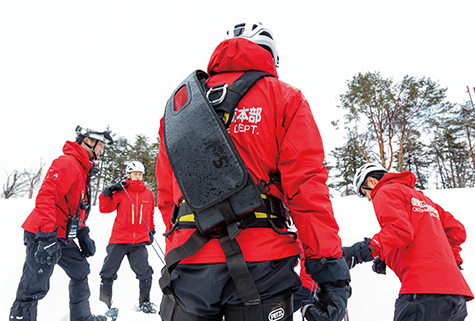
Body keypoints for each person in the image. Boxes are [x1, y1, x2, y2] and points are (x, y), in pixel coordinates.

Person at [156, 20, 350, 321]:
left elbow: (167, 194)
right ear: (270, 57)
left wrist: (180, 243)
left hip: (190, 261)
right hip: (263, 260)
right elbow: (306, 187)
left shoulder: (180, 105)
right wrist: (328, 271)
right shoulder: (285, 97)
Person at [342, 162, 473, 321]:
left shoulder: (384, 191)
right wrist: (453, 262)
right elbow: (456, 230)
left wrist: (358, 252)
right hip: (455, 296)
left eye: (365, 193)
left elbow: (400, 231)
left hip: (423, 292)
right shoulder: (423, 200)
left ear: (371, 181)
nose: (369, 200)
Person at [9, 126, 114, 321]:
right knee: (34, 284)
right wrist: (46, 236)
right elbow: (46, 197)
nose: (101, 151)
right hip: (43, 233)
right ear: (88, 141)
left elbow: (74, 207)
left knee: (80, 270)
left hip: (62, 234)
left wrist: (82, 234)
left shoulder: (83, 170)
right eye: (101, 146)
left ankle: (82, 317)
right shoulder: (68, 163)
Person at [98, 161, 156, 314]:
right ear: (128, 175)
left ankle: (145, 302)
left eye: (140, 174)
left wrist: (151, 230)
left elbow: (149, 215)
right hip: (119, 239)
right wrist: (107, 193)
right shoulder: (120, 192)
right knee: (108, 273)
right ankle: (105, 304)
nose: (138, 176)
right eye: (134, 174)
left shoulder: (148, 194)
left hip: (138, 242)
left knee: (145, 273)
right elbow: (105, 208)